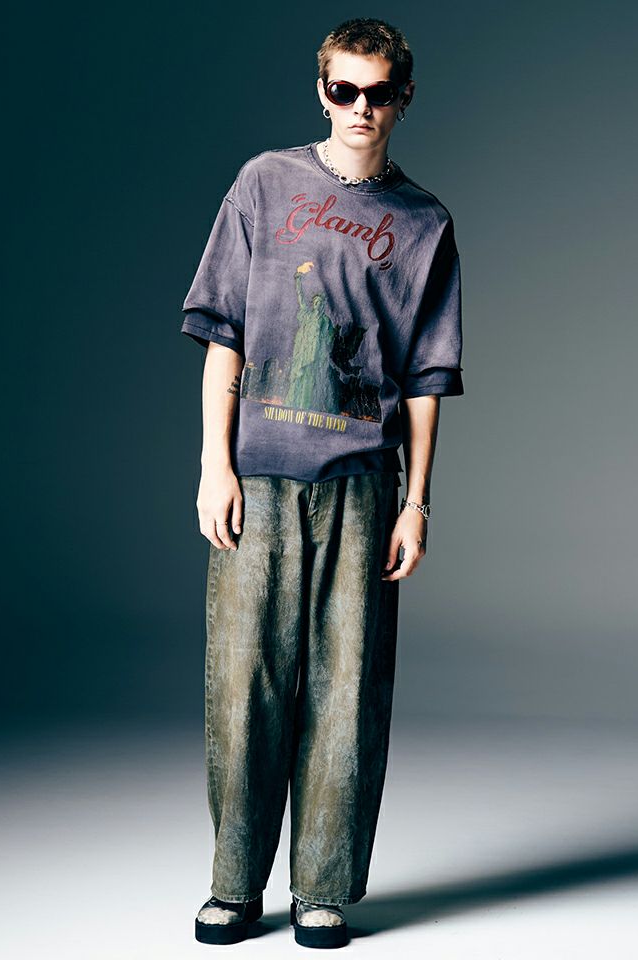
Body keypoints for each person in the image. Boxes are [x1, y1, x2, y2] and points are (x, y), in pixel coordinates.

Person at [180, 17, 464, 949]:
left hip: (363, 484)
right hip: (259, 476)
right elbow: (224, 335)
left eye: (378, 93)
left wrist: (416, 502)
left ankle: (322, 889)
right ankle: (234, 885)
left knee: (348, 690)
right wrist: (215, 463)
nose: (360, 108)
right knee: (243, 684)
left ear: (404, 98)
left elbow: (426, 379)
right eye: (344, 90)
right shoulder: (265, 184)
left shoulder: (424, 223)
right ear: (322, 92)